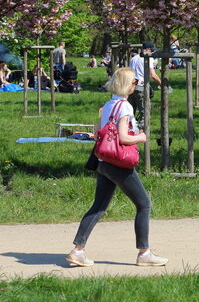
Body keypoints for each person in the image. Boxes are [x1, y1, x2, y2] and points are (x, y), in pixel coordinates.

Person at [67, 67, 168, 268]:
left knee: (98, 207)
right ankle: (144, 253)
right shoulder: (125, 107)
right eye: (134, 82)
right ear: (127, 85)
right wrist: (141, 137)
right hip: (118, 164)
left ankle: (78, 250)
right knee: (144, 204)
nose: (135, 85)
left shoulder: (108, 104)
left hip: (103, 162)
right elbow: (122, 137)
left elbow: (98, 133)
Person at [129, 42, 167, 117]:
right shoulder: (149, 58)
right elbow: (153, 75)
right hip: (141, 86)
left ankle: (130, 127)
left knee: (130, 114)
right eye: (152, 50)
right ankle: (142, 128)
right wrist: (162, 84)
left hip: (130, 87)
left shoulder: (133, 58)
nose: (153, 52)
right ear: (148, 50)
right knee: (145, 114)